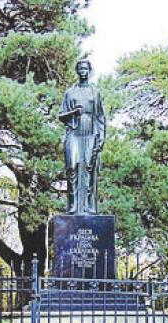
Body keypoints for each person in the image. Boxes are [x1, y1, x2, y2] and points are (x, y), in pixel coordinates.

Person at [59, 59, 106, 214]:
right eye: (80, 69)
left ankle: (87, 205)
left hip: (90, 132)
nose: (83, 71)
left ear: (89, 71)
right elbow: (61, 116)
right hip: (74, 132)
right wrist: (73, 112)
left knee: (88, 168)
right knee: (71, 166)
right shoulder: (70, 92)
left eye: (85, 69)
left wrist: (102, 137)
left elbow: (100, 117)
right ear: (77, 71)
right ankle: (73, 205)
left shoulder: (95, 92)